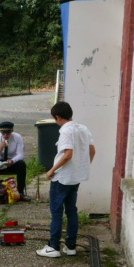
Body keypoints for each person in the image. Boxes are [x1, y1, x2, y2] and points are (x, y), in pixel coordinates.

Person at [37, 101, 95, 258]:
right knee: (71, 211)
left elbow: (68, 154)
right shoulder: (83, 128)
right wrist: (83, 166)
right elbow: (92, 150)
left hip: (62, 178)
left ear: (57, 117)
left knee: (56, 212)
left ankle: (53, 246)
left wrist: (51, 170)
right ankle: (71, 246)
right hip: (76, 178)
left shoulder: (65, 131)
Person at [0, 121, 29, 200]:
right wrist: (0, 149)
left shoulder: (17, 137)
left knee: (22, 165)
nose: (5, 135)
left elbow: (20, 155)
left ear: (12, 131)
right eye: (3, 133)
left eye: (8, 133)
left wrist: (12, 160)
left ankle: (20, 192)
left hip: (12, 162)